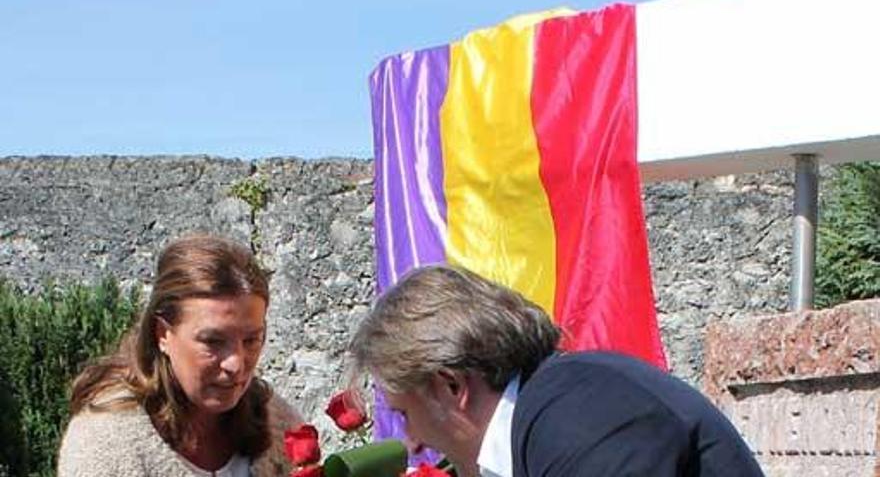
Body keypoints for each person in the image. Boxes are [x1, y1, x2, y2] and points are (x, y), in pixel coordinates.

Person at [350, 264, 764, 477]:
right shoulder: (553, 410)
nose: (413, 442)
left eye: (405, 415)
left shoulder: (584, 419)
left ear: (452, 385)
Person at [58, 235, 303, 477]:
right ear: (163, 334)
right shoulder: (104, 446)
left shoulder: (281, 427)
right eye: (212, 341)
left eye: (251, 340)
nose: (235, 364)